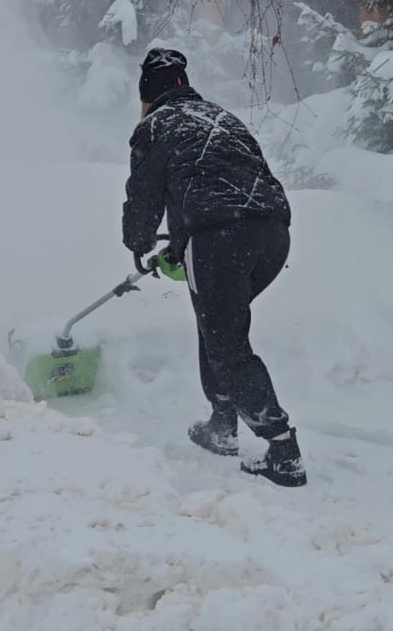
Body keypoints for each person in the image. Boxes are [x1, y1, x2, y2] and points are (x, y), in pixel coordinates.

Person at [121, 47, 306, 488]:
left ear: (149, 94)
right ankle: (222, 423)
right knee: (217, 325)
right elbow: (219, 183)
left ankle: (283, 449)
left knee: (226, 344)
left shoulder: (155, 126)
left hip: (221, 239)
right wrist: (182, 244)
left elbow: (143, 196)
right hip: (272, 235)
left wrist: (139, 244)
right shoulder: (221, 119)